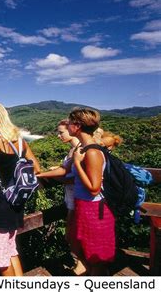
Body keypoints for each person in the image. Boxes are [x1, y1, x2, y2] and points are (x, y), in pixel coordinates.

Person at [0, 102, 40, 276]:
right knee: (10, 248)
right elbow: (37, 168)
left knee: (1, 255)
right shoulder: (19, 142)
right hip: (16, 201)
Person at [68, 108, 115, 276]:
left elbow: (94, 189)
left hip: (95, 210)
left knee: (97, 260)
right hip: (84, 206)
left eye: (70, 122)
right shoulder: (85, 148)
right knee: (82, 250)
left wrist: (78, 163)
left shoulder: (92, 152)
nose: (67, 125)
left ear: (78, 126)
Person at [36, 119, 86, 275]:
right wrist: (56, 170)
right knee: (73, 233)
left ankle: (82, 266)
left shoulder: (79, 150)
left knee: (73, 234)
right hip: (73, 199)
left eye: (61, 132)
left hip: (78, 199)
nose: (58, 136)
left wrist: (42, 174)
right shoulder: (75, 149)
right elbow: (68, 170)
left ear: (73, 130)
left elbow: (70, 176)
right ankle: (82, 264)